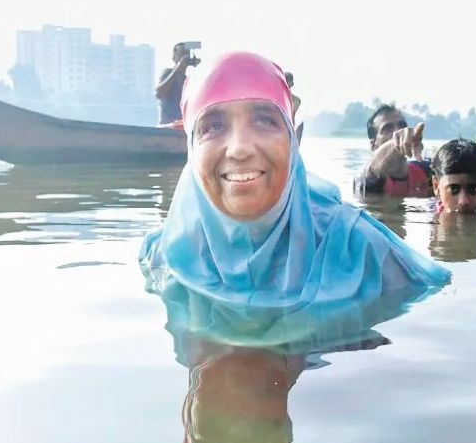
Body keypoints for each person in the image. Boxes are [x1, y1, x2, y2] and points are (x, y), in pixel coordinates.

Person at [139, 52, 449, 309]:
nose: (240, 149)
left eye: (264, 120)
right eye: (213, 125)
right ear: (192, 149)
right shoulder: (161, 257)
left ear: (293, 139)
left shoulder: (363, 253)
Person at [356, 105, 433, 197]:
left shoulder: (426, 172)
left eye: (402, 126)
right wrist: (394, 143)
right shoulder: (367, 178)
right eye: (388, 128)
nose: (398, 131)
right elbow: (373, 168)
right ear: (373, 145)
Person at [431, 139, 476, 214]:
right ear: (436, 186)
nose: (464, 201)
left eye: (473, 189)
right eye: (453, 189)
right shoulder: (427, 216)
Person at [154, 42, 201, 126]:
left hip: (182, 125)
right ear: (174, 57)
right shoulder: (167, 72)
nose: (184, 57)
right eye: (181, 54)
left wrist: (199, 71)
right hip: (168, 125)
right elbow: (158, 93)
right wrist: (178, 67)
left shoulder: (189, 80)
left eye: (186, 54)